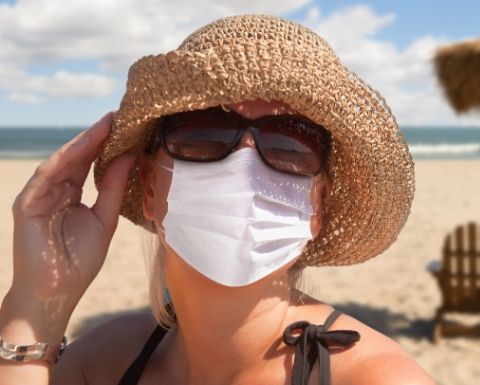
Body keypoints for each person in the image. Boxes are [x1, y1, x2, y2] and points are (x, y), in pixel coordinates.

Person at [0, 15, 432, 385]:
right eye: (204, 132)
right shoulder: (101, 363)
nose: (244, 164)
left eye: (289, 144)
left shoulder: (376, 377)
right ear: (150, 187)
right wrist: (37, 304)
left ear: (317, 207)